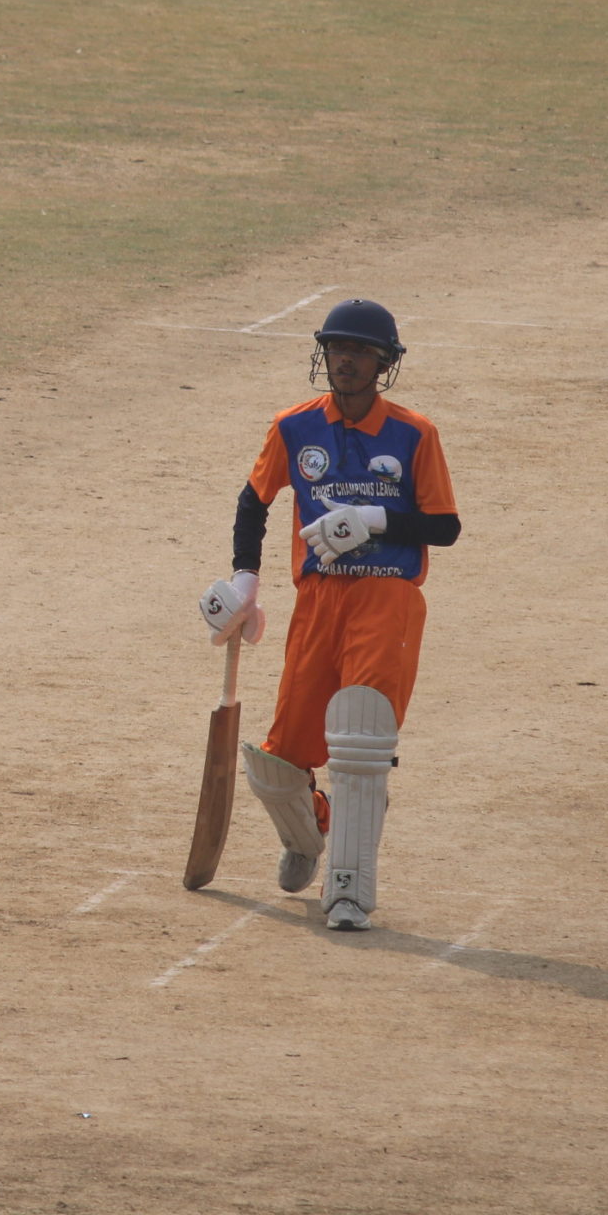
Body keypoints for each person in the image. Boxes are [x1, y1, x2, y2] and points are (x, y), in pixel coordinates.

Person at [196, 298, 460, 930]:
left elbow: (444, 527)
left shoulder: (414, 433)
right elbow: (253, 501)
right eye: (337, 350)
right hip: (318, 600)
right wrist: (246, 583)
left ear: (383, 363)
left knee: (361, 739)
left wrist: (373, 519)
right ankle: (311, 831)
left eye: (360, 353)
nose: (345, 361)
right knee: (279, 760)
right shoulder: (293, 426)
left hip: (387, 597)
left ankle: (348, 891)